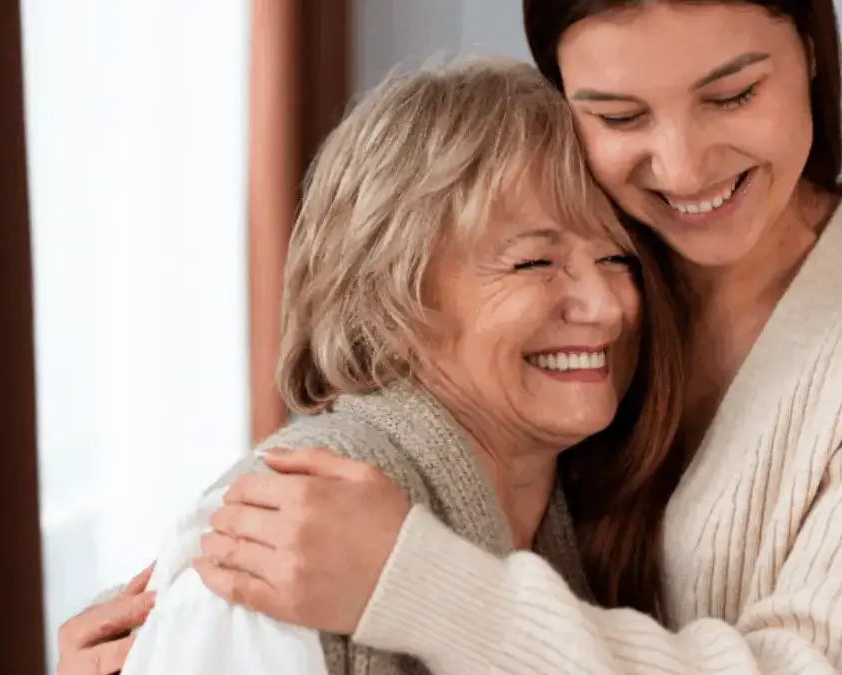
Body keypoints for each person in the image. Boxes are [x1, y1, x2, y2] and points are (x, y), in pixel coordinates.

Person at [67, 2, 842, 674]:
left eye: (732, 94)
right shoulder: (591, 253)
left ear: (812, 51)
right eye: (619, 115)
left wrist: (424, 586)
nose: (683, 165)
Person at [55, 55, 687, 675]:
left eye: (617, 260)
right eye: (534, 263)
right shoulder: (277, 541)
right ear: (390, 299)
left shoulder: (593, 519)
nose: (608, 308)